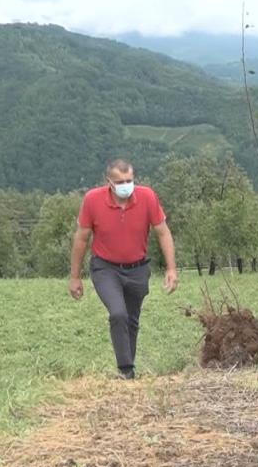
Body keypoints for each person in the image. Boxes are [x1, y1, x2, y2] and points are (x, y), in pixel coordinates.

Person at [68, 159, 178, 379]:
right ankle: (126, 370)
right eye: (120, 182)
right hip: (105, 268)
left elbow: (163, 232)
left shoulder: (147, 197)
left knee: (131, 319)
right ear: (108, 182)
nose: (126, 185)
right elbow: (81, 238)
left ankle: (128, 372)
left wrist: (171, 268)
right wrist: (75, 276)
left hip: (137, 268)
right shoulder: (92, 200)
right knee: (118, 313)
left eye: (129, 180)